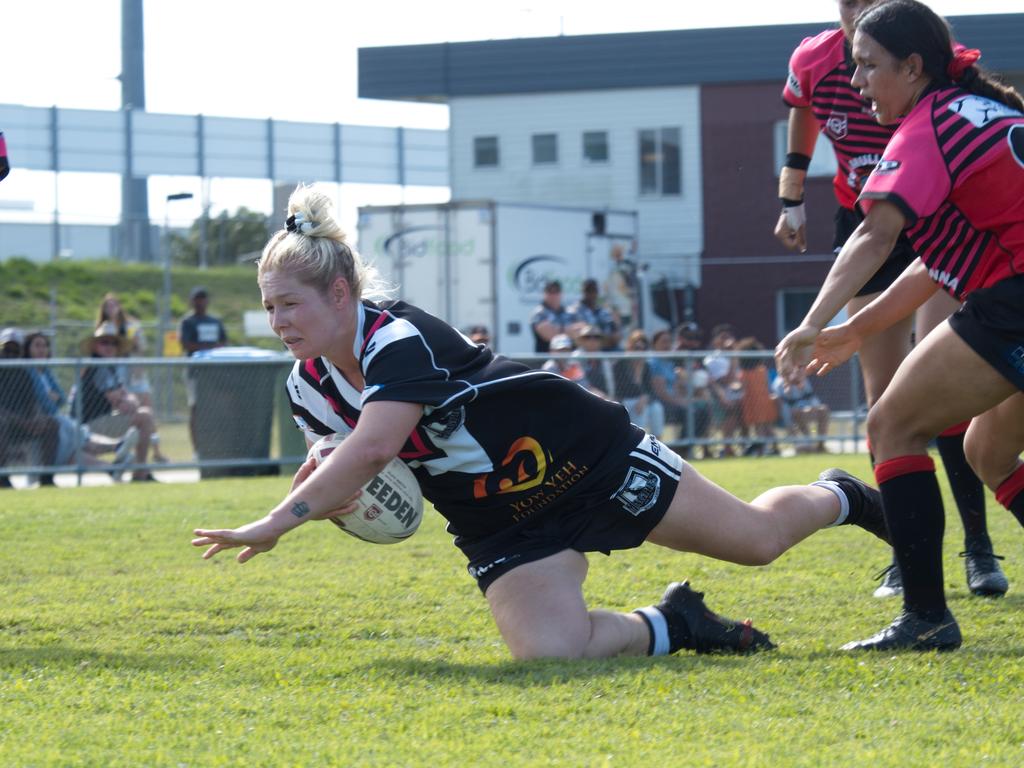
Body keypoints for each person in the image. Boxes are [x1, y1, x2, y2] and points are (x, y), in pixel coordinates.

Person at [192, 185, 892, 661]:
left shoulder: (394, 338)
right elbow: (344, 466)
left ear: (340, 293)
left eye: (289, 304)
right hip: (501, 519)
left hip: (583, 458)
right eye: (269, 306)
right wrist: (324, 497)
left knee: (759, 542)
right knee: (550, 652)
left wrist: (276, 521)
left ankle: (843, 494)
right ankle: (675, 624)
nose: (278, 322)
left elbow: (375, 445)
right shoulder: (305, 385)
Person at [776, 0, 1024, 650]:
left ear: (913, 67)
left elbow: (875, 235)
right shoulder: (990, 110)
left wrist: (811, 322)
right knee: (987, 453)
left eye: (868, 66)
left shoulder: (927, 126)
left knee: (891, 424)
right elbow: (938, 267)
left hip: (1016, 303)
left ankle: (926, 619)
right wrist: (856, 332)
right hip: (1010, 296)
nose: (856, 84)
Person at [73, 323, 159, 483]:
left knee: (144, 415)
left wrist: (128, 399)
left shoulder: (110, 367)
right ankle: (140, 472)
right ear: (95, 346)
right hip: (86, 426)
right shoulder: (98, 366)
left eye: (113, 343)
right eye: (104, 342)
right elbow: (122, 403)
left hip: (102, 420)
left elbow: (128, 397)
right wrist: (127, 400)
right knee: (145, 417)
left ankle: (135, 465)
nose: (110, 346)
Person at [96, 293, 169, 463]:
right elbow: (103, 351)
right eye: (108, 306)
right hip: (118, 373)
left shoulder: (132, 325)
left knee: (147, 410)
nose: (111, 308)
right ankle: (126, 451)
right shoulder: (105, 328)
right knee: (127, 412)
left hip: (136, 373)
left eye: (114, 304)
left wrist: (135, 345)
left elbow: (141, 348)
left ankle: (156, 451)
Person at [179, 286, 227, 450]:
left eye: (203, 298)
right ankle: (197, 449)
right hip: (195, 372)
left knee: (216, 408)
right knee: (196, 409)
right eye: (197, 298)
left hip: (215, 372)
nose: (200, 302)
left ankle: (216, 445)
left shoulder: (215, 321)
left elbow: (224, 342)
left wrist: (214, 348)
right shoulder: (187, 322)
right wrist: (207, 348)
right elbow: (186, 344)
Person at [613, 330, 665, 439]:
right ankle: (637, 441)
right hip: (625, 401)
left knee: (656, 408)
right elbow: (622, 390)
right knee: (640, 408)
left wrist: (644, 398)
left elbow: (650, 390)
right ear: (630, 347)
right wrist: (641, 399)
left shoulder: (646, 366)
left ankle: (658, 443)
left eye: (643, 348)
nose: (640, 351)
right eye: (636, 348)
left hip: (642, 401)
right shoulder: (620, 364)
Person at [735, 337, 779, 457]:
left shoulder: (744, 373)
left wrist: (734, 387)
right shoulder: (762, 370)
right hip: (765, 400)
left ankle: (761, 451)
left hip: (753, 402)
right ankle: (776, 447)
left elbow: (741, 387)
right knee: (768, 426)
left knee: (759, 427)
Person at [772, 366, 831, 454]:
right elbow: (783, 407)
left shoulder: (803, 381)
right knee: (798, 412)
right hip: (791, 414)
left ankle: (820, 444)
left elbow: (810, 397)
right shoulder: (779, 384)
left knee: (823, 410)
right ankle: (807, 443)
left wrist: (815, 407)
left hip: (807, 409)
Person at [568, 278, 620, 350]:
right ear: (583, 292)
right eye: (588, 290)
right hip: (582, 350)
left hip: (604, 349)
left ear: (597, 292)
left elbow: (615, 334)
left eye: (593, 290)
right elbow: (572, 335)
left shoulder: (604, 312)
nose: (591, 293)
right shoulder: (573, 311)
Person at [529, 280, 576, 353]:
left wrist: (556, 329)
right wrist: (568, 330)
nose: (553, 295)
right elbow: (548, 334)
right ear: (544, 294)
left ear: (561, 293)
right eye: (550, 292)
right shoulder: (539, 313)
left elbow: (580, 333)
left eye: (556, 292)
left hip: (569, 360)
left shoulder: (570, 312)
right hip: (545, 359)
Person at [604, 243, 639, 333]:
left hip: (626, 306)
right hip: (617, 307)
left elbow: (631, 287)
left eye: (618, 253)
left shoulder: (626, 267)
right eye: (615, 253)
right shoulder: (614, 269)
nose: (617, 255)